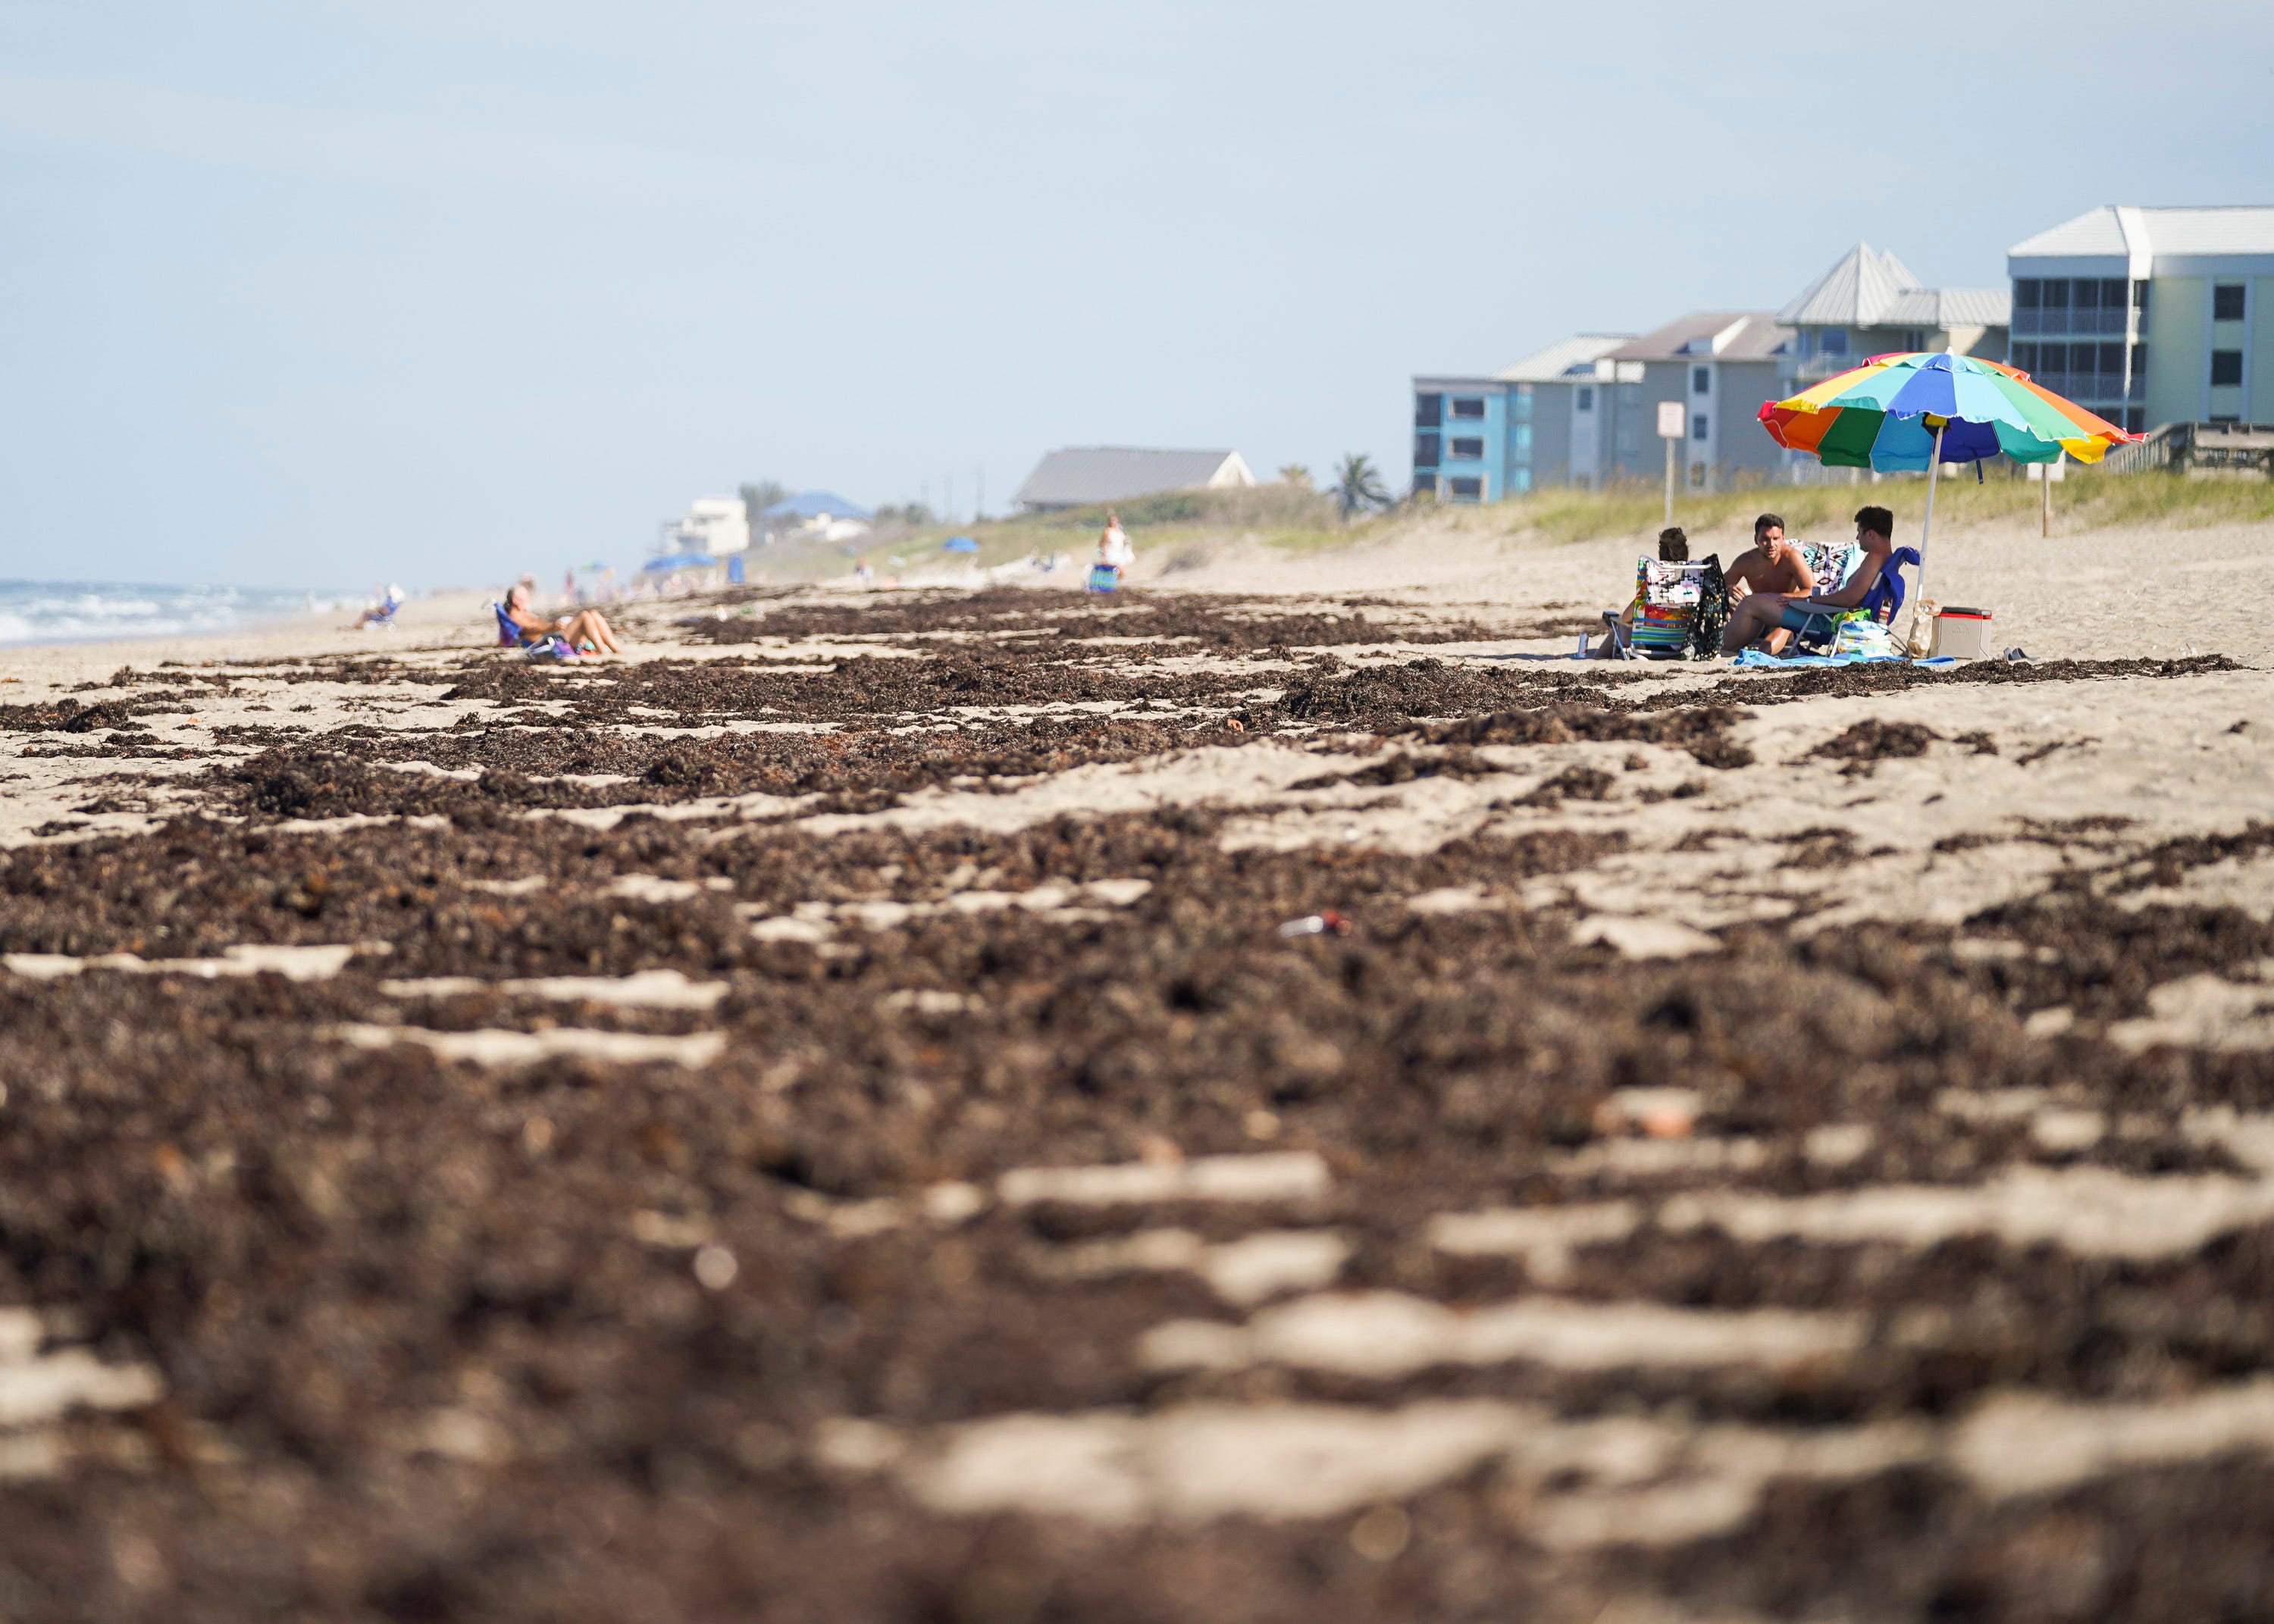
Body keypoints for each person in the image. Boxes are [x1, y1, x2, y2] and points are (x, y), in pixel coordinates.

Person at [1722, 505, 1897, 656]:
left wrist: (1809, 600)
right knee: (1754, 605)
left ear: (1871, 534)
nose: (1857, 538)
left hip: (1827, 620)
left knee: (1750, 603)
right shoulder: (1885, 560)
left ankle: (1726, 647)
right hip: (1830, 614)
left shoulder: (1874, 560)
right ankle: (1738, 645)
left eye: (1860, 532)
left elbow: (1849, 599)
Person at [1592, 527, 1689, 656]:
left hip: (1648, 647)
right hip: (1683, 646)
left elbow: (1626, 618)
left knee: (1621, 624)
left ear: (1660, 555)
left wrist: (1616, 619)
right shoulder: (1694, 584)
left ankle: (1597, 657)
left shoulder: (1654, 586)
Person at [505, 580, 622, 655]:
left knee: (594, 614)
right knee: (585, 616)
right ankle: (602, 651)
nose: (528, 598)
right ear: (515, 600)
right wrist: (551, 627)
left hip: (553, 636)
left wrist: (553, 627)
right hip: (547, 643)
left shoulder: (525, 613)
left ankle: (616, 649)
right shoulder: (515, 617)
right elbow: (528, 630)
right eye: (525, 595)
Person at [1098, 511, 1133, 579]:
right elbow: (1103, 544)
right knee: (1117, 571)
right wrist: (1103, 557)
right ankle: (1111, 584)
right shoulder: (1107, 531)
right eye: (1112, 520)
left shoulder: (1120, 530)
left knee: (1121, 572)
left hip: (1120, 553)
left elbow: (1124, 541)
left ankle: (1115, 584)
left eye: (1114, 520)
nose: (1113, 522)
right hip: (1110, 553)